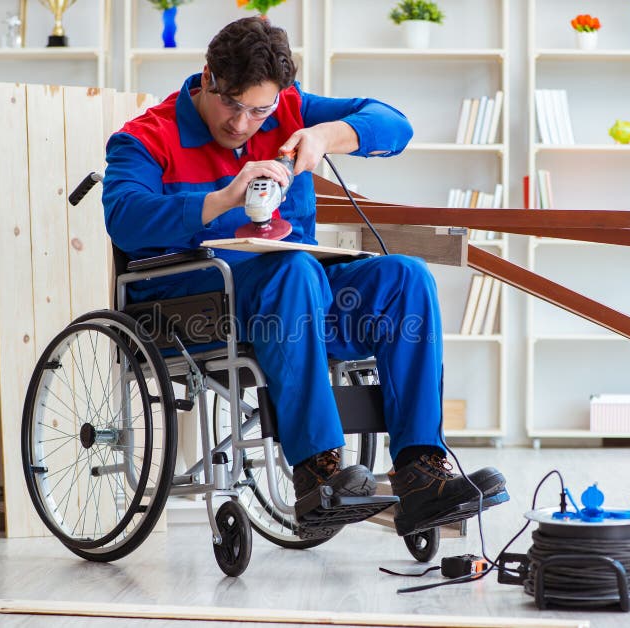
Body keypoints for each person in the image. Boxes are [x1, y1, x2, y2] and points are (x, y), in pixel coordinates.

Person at [102, 17, 507, 533]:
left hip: (298, 299)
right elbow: (126, 217)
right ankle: (318, 474)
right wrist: (225, 196)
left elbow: (394, 125)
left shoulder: (289, 110)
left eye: (260, 110)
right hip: (197, 304)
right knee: (294, 269)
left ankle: (420, 471)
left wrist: (325, 134)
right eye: (231, 103)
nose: (243, 124)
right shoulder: (144, 136)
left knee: (407, 277)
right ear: (207, 78)